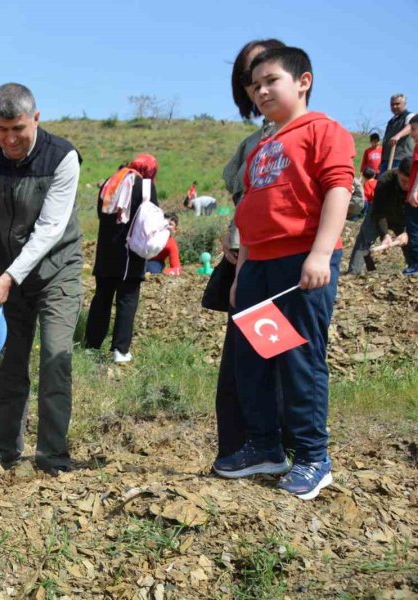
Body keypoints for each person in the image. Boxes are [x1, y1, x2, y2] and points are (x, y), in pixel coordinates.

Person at [214, 47, 355, 501]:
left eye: (271, 80)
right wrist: (242, 270)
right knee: (256, 359)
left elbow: (338, 188)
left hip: (301, 263)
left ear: (303, 81)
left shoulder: (323, 130)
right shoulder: (265, 144)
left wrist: (320, 254)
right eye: (255, 85)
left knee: (300, 359)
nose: (261, 90)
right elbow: (253, 210)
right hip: (259, 265)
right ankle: (265, 447)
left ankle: (314, 457)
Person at [0, 83, 83, 475]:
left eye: (17, 128)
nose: (9, 139)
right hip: (6, 272)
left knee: (55, 359)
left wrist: (9, 277)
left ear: (36, 118)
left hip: (56, 271)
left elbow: (51, 229)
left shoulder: (63, 157)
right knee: (6, 361)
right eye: (1, 129)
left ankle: (52, 456)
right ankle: (6, 450)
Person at [211, 38, 285, 462]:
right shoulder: (253, 140)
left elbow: (348, 198)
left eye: (264, 74)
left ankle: (275, 448)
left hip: (279, 263)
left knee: (272, 358)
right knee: (243, 362)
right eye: (247, 78)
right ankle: (243, 449)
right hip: (246, 263)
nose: (256, 87)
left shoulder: (303, 132)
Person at [84, 153, 160, 364]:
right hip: (130, 253)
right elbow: (152, 217)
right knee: (127, 300)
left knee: (102, 298)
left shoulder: (110, 182)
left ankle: (91, 346)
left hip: (106, 250)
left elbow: (102, 215)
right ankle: (120, 350)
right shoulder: (145, 186)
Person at [346, 159, 412, 274]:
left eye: (409, 182)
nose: (406, 186)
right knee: (365, 241)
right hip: (380, 212)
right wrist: (384, 234)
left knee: (411, 242)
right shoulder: (384, 181)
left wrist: (407, 232)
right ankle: (357, 271)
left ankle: (413, 268)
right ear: (398, 173)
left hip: (404, 216)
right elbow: (380, 212)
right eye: (403, 181)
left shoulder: (416, 183)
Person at [379, 94, 415, 174]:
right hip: (386, 159)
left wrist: (398, 136)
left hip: (400, 158)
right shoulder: (392, 120)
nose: (394, 106)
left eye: (397, 104)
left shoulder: (409, 116)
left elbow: (410, 126)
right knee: (383, 183)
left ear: (404, 104)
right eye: (392, 104)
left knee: (395, 183)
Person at [403, 115, 418, 275]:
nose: (411, 133)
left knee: (414, 230)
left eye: (414, 129)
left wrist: (414, 191)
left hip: (415, 198)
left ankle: (416, 264)